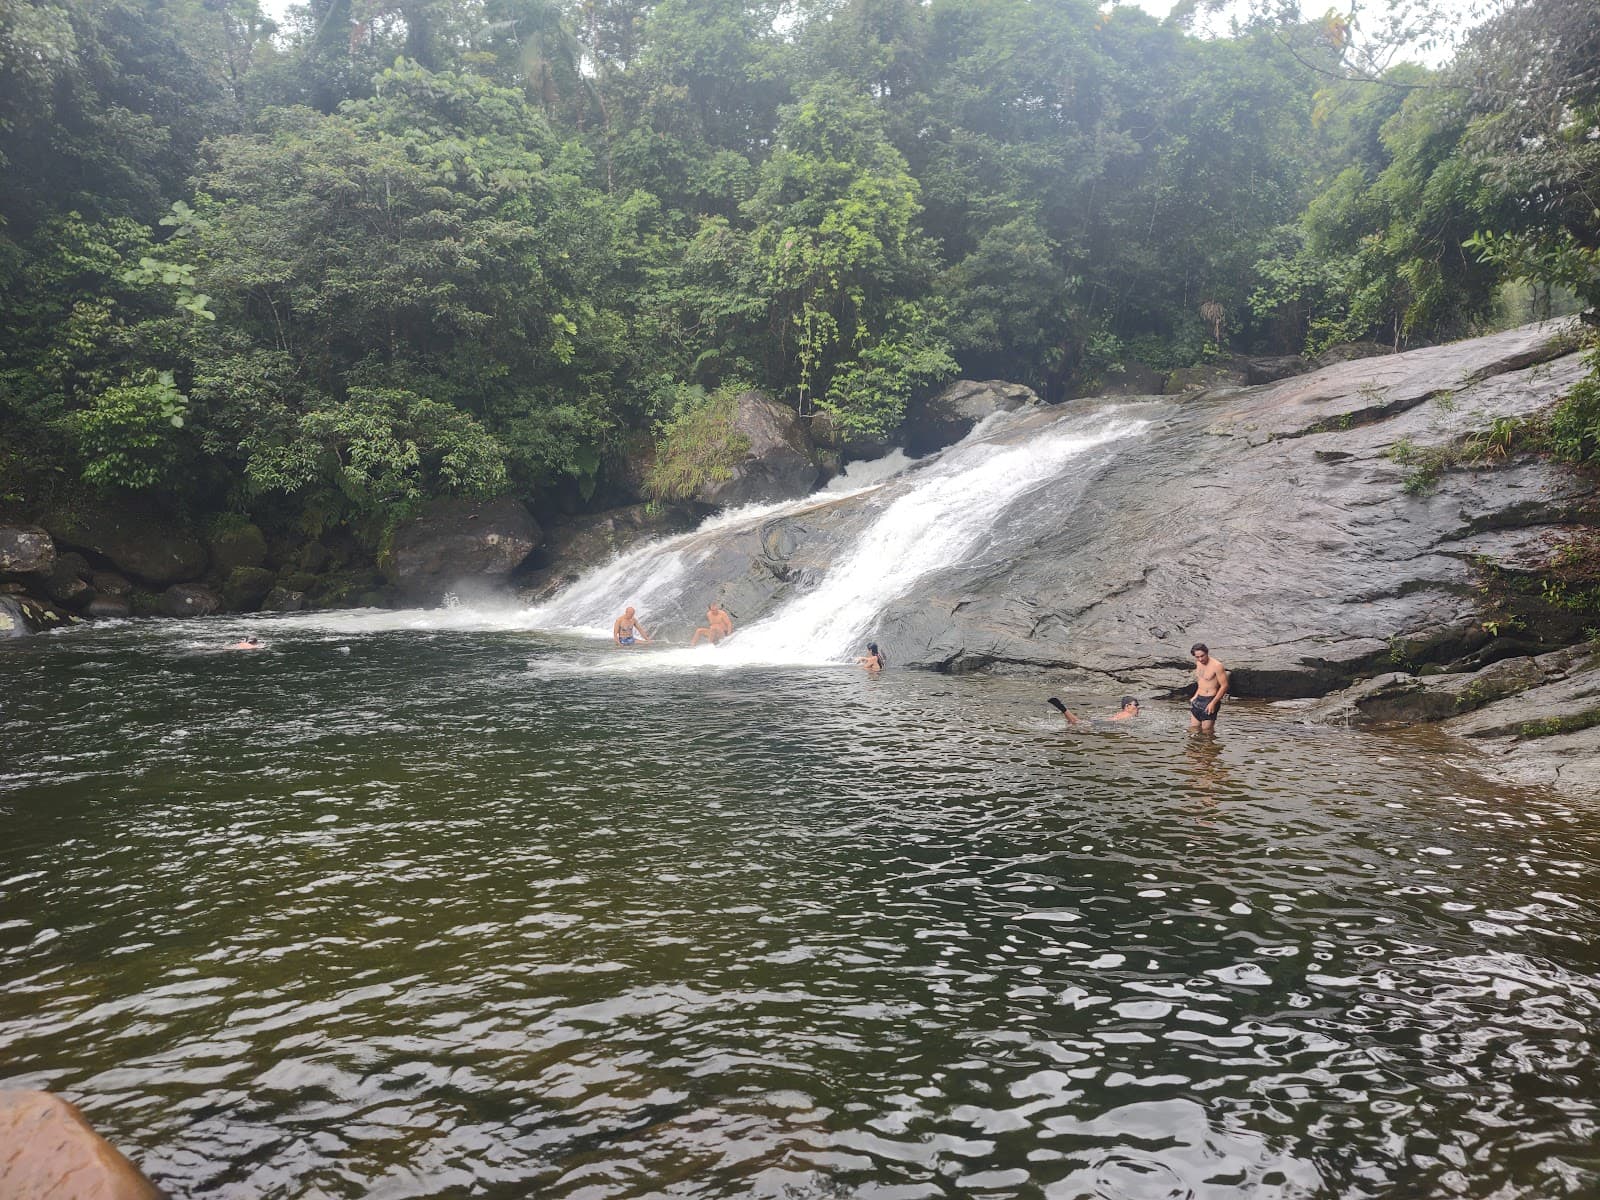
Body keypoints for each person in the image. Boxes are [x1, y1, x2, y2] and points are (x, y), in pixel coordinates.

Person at [1186, 643, 1229, 732]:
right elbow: (1201, 681)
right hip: (1198, 699)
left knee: (1207, 733)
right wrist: (1195, 696)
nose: (1200, 659)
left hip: (1210, 700)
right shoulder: (1198, 663)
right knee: (1193, 729)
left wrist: (1213, 703)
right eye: (1197, 657)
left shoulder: (1217, 666)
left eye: (1202, 656)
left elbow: (1224, 686)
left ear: (1207, 653)